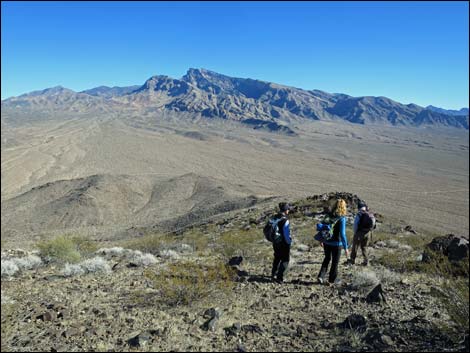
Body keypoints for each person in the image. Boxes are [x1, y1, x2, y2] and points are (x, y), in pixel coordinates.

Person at [317, 199, 349, 285]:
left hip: (327, 242)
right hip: (337, 244)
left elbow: (322, 227)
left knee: (327, 259)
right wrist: (346, 247)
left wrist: (321, 239)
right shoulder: (342, 218)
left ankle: (321, 276)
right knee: (335, 262)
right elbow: (342, 234)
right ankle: (331, 280)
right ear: (343, 207)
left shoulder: (328, 215)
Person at [348, 201, 375, 266]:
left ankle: (352, 260)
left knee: (355, 247)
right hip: (368, 233)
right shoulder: (369, 213)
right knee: (364, 247)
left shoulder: (359, 214)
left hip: (360, 233)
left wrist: (355, 233)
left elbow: (355, 225)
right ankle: (366, 262)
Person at [271, 202, 293, 284]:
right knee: (285, 260)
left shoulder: (275, 217)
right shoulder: (285, 220)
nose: (289, 211)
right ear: (286, 210)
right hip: (283, 243)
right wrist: (289, 242)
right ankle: (279, 278)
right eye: (288, 209)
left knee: (277, 257)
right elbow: (286, 234)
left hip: (275, 241)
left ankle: (273, 274)